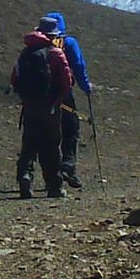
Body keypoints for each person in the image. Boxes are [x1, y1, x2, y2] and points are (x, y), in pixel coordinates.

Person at [10, 16, 72, 199]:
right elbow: (67, 82)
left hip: (30, 105)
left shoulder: (26, 52)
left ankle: (25, 176)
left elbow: (14, 78)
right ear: (53, 35)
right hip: (50, 106)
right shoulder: (55, 53)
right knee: (51, 145)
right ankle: (54, 186)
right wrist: (57, 98)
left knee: (29, 143)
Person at [43, 11, 91, 189]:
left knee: (45, 133)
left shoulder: (37, 44)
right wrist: (86, 86)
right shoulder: (68, 43)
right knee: (71, 129)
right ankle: (68, 168)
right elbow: (78, 66)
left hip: (40, 95)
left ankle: (45, 174)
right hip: (63, 94)